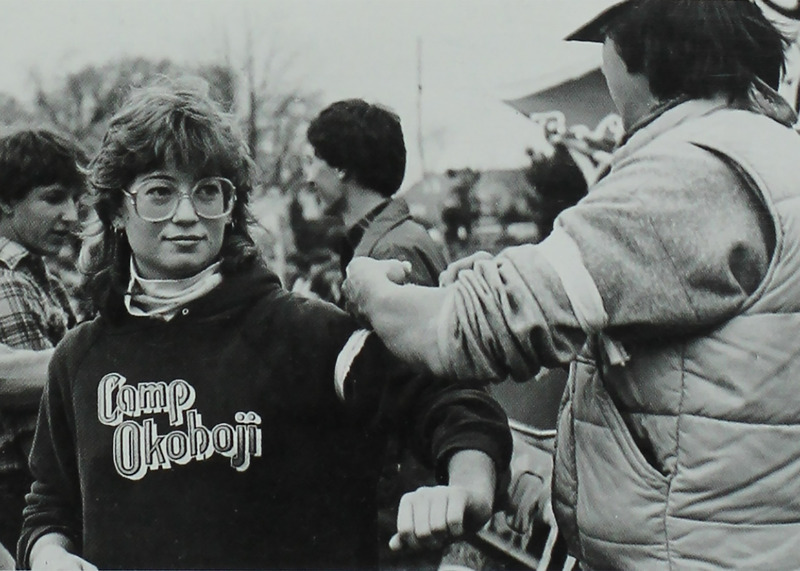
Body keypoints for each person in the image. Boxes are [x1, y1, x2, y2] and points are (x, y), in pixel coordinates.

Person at [343, 0, 800, 568]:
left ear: (638, 48)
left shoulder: (696, 172)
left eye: (605, 38)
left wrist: (368, 289)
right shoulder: (767, 154)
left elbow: (472, 329)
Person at [17, 80, 512, 571]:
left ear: (232, 208)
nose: (187, 214)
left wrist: (467, 487)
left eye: (209, 191)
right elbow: (50, 502)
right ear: (117, 211)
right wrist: (48, 553)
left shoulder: (304, 334)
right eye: (160, 193)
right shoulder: (79, 358)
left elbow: (450, 401)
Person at [306, 99, 451, 569]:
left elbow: (415, 381)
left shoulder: (393, 250)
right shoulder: (382, 241)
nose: (308, 175)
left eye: (313, 159)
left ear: (342, 168)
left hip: (399, 494)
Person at [0, 128, 86, 567]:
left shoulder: (42, 277)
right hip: (23, 493)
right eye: (54, 199)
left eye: (75, 200)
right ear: (5, 202)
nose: (72, 215)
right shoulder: (9, 280)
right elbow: (41, 420)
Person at [305, 98, 448, 288]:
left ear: (340, 166)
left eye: (313, 161)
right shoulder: (392, 241)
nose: (309, 179)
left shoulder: (390, 254)